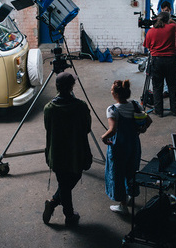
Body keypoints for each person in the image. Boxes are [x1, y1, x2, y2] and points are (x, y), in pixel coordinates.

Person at [42, 72, 92, 227]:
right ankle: (68, 215)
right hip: (76, 152)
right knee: (70, 180)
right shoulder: (81, 107)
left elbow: (47, 128)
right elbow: (87, 128)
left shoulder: (49, 108)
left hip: (57, 153)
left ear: (57, 87)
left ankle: (54, 202)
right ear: (72, 87)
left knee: (63, 182)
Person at [101, 79, 141, 214]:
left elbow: (112, 130)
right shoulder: (136, 105)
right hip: (133, 143)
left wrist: (104, 137)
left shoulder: (112, 109)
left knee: (117, 173)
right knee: (132, 170)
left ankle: (123, 205)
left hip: (119, 146)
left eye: (112, 89)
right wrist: (142, 129)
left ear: (115, 94)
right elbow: (148, 120)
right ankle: (130, 195)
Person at [143, 11, 176, 117]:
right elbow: (175, 24)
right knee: (173, 86)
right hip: (171, 61)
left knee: (157, 87)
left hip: (157, 61)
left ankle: (159, 111)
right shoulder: (172, 28)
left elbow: (147, 46)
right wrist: (169, 19)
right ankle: (175, 110)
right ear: (167, 20)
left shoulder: (151, 31)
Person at [160, 1, 176, 98]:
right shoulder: (159, 20)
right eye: (164, 11)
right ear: (161, 10)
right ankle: (166, 90)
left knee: (175, 69)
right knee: (164, 69)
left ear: (170, 10)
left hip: (173, 46)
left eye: (167, 10)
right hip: (164, 47)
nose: (166, 12)